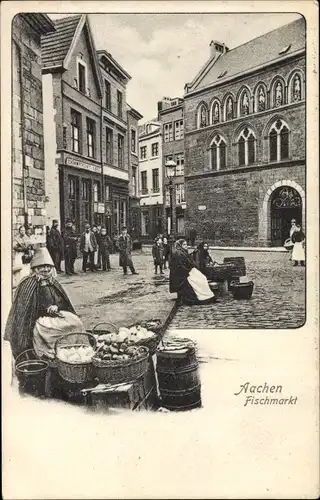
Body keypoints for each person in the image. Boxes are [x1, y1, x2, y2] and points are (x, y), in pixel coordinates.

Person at [4, 247, 85, 360]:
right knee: (50, 332)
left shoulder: (53, 281)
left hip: (57, 315)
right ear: (35, 268)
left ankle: (70, 350)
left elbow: (63, 301)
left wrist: (57, 306)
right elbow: (25, 311)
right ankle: (51, 353)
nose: (46, 269)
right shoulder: (28, 283)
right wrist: (45, 309)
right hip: (38, 320)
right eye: (42, 266)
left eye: (48, 266)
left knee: (76, 323)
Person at [169, 239, 217, 305]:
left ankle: (207, 295)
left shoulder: (182, 252)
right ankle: (203, 296)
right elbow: (180, 266)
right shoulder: (179, 253)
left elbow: (189, 262)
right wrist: (189, 271)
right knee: (199, 280)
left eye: (186, 244)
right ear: (180, 245)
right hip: (181, 274)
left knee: (202, 278)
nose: (186, 246)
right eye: (184, 244)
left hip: (186, 271)